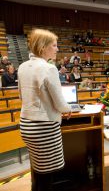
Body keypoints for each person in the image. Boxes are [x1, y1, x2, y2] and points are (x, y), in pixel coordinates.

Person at [18, 29, 72, 191]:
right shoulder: (49, 68)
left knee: (38, 172)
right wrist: (68, 109)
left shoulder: (22, 66)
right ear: (43, 47)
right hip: (44, 128)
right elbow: (60, 103)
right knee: (47, 176)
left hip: (26, 126)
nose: (57, 49)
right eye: (54, 45)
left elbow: (22, 96)